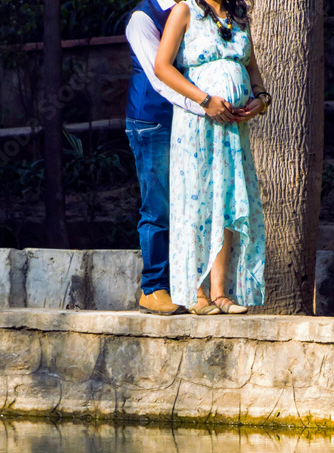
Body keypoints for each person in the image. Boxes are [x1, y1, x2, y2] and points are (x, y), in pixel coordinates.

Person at [155, 0, 269, 315]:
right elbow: (162, 66)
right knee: (198, 199)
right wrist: (205, 100)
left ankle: (220, 293)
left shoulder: (239, 15)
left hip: (233, 128)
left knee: (228, 200)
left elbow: (251, 69)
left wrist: (260, 99)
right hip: (197, 123)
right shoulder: (184, 10)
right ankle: (196, 292)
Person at [125, 0, 207, 315]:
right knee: (158, 207)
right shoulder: (143, 18)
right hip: (153, 122)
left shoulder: (195, 9)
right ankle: (153, 289)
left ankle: (190, 287)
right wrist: (205, 105)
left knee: (191, 202)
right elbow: (160, 78)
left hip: (188, 117)